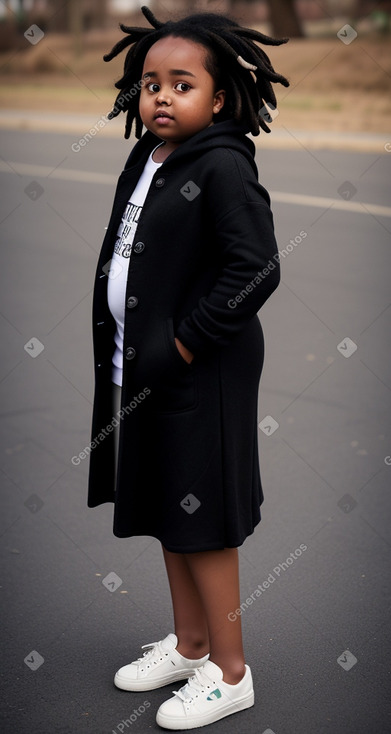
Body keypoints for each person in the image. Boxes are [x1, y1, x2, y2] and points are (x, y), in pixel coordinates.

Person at [87, 5, 289, 730]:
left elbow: (255, 267)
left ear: (221, 97)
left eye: (181, 83)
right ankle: (190, 644)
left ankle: (230, 674)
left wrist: (182, 343)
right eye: (149, 83)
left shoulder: (224, 163)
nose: (160, 97)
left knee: (204, 524)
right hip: (142, 370)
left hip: (198, 372)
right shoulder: (148, 155)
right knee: (171, 509)